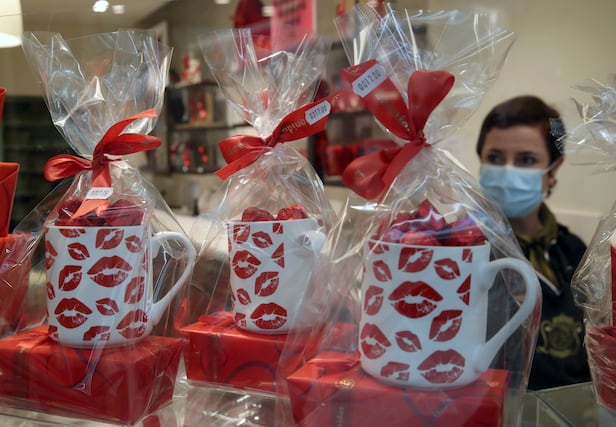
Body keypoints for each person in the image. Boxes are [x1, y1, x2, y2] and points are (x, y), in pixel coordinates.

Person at [476, 95, 591, 390]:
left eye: (526, 160)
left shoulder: (575, 253)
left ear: (553, 170)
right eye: (495, 158)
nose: (507, 171)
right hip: (483, 407)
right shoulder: (459, 250)